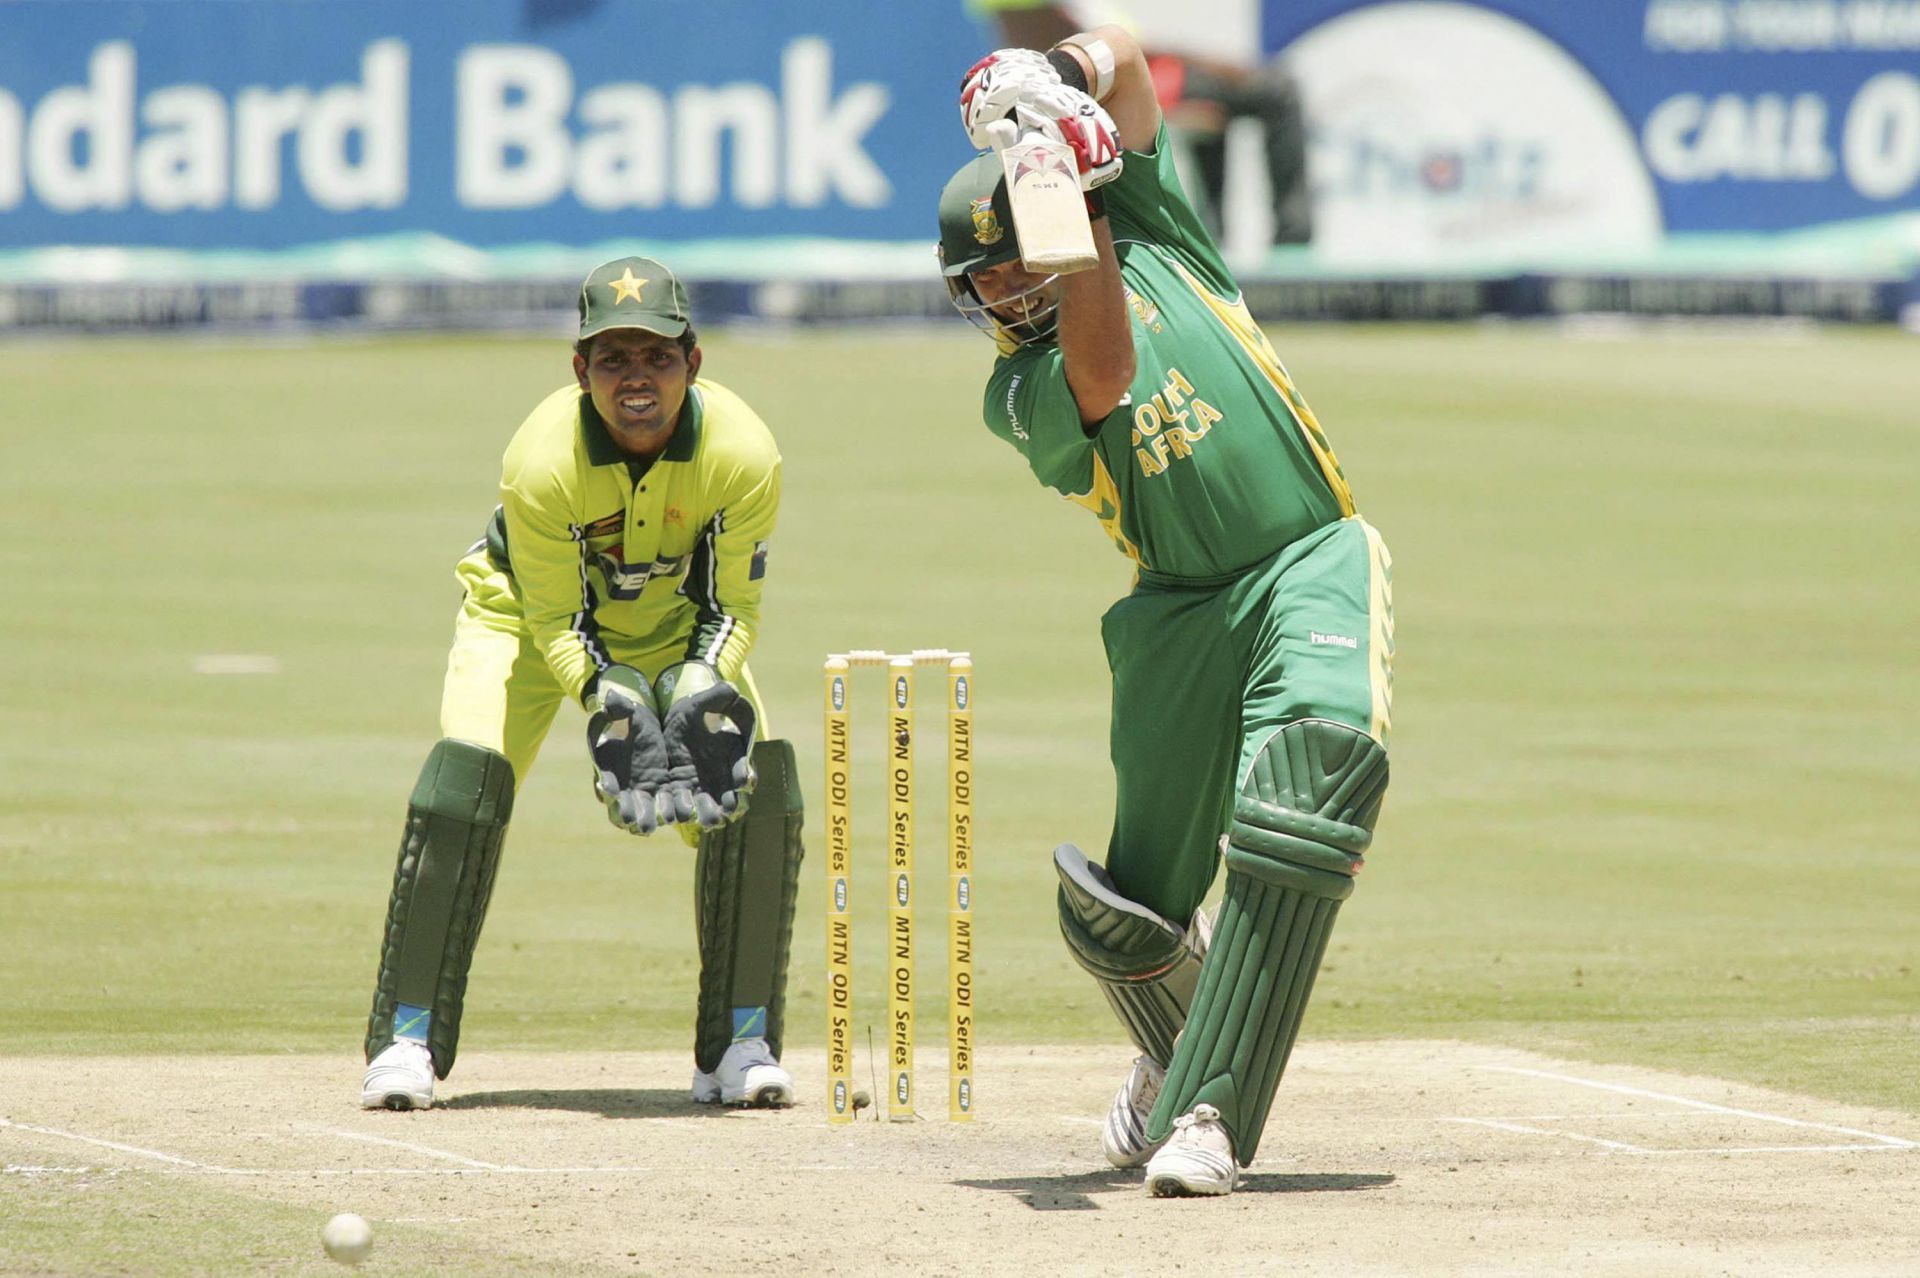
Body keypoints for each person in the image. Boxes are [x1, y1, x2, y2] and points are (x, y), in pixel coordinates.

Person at [940, 29, 1393, 1197]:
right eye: (986, 280)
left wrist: (1061, 82)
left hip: (1307, 555)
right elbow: (1109, 369)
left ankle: (1209, 1112)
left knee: (1312, 782)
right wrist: (1062, 192)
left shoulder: (1155, 235)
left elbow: (1135, 64)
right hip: (1179, 614)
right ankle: (1173, 1038)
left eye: (1016, 265)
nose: (1011, 288)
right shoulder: (1019, 389)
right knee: (1126, 916)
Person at [357, 256, 805, 1114]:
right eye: (613, 360)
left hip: (680, 628)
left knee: (746, 785)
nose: (637, 378)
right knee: (465, 780)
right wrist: (612, 700)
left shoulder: (744, 452)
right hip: (519, 619)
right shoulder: (542, 461)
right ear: (580, 371)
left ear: (693, 363)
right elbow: (556, 623)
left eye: (657, 357)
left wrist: (696, 685)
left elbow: (734, 605)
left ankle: (741, 1043)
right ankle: (404, 1040)